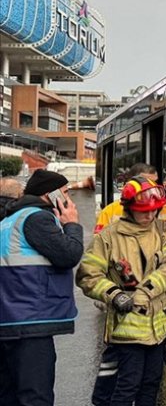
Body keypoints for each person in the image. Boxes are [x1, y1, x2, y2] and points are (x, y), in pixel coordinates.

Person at [76, 176, 166, 406]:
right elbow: (88, 275)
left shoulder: (163, 230)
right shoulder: (109, 237)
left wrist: (146, 291)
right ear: (129, 208)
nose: (150, 216)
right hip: (128, 328)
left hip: (159, 327)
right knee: (127, 385)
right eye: (144, 211)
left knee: (151, 384)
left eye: (155, 211)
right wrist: (114, 294)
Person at [0, 170, 83, 406]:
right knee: (35, 397)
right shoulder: (36, 218)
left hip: (9, 320)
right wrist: (72, 225)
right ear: (51, 194)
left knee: (8, 395)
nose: (69, 199)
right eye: (65, 193)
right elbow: (69, 254)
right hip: (30, 323)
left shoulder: (8, 220)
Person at [95, 163, 166, 296]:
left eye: (154, 182)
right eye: (147, 182)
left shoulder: (162, 210)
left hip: (155, 290)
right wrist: (106, 293)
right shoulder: (110, 211)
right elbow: (99, 255)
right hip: (123, 292)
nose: (151, 188)